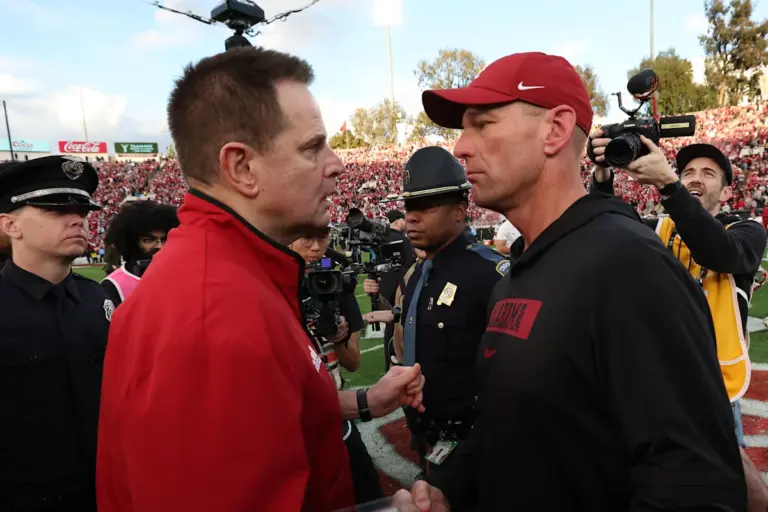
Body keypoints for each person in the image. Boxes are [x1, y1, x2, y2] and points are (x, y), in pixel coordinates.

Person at [395, 51, 745, 511]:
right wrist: (454, 487)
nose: (460, 147)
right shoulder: (521, 271)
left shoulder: (628, 265)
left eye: (481, 124)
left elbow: (696, 487)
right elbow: (518, 424)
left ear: (556, 130)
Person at [97, 47, 424, 512]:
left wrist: (365, 401)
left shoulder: (231, 272)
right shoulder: (215, 315)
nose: (336, 164)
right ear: (242, 168)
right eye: (312, 147)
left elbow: (278, 411)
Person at [588, 138, 768, 509]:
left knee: (740, 489)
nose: (696, 178)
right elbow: (603, 226)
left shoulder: (747, 231)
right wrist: (603, 176)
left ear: (727, 191)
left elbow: (717, 251)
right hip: (652, 380)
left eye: (708, 173)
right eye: (688, 172)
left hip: (714, 385)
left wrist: (670, 187)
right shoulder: (657, 227)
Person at [389, 146, 509, 495]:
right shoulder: (418, 274)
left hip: (480, 450)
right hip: (429, 435)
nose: (411, 218)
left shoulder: (491, 275)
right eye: (409, 207)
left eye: (425, 207)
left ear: (459, 211)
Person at [0, 156, 112, 511]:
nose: (77, 219)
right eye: (55, 210)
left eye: (82, 210)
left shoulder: (100, 300)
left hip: (107, 492)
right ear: (10, 225)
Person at [289, 227, 384, 505]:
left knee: (366, 492)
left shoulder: (336, 283)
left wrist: (338, 338)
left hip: (335, 412)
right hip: (289, 418)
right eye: (306, 237)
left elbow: (353, 362)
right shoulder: (274, 286)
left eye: (322, 238)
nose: (316, 247)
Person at [101, 199, 179, 306]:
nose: (159, 246)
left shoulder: (181, 279)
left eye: (164, 239)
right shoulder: (113, 286)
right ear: (131, 242)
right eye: (149, 240)